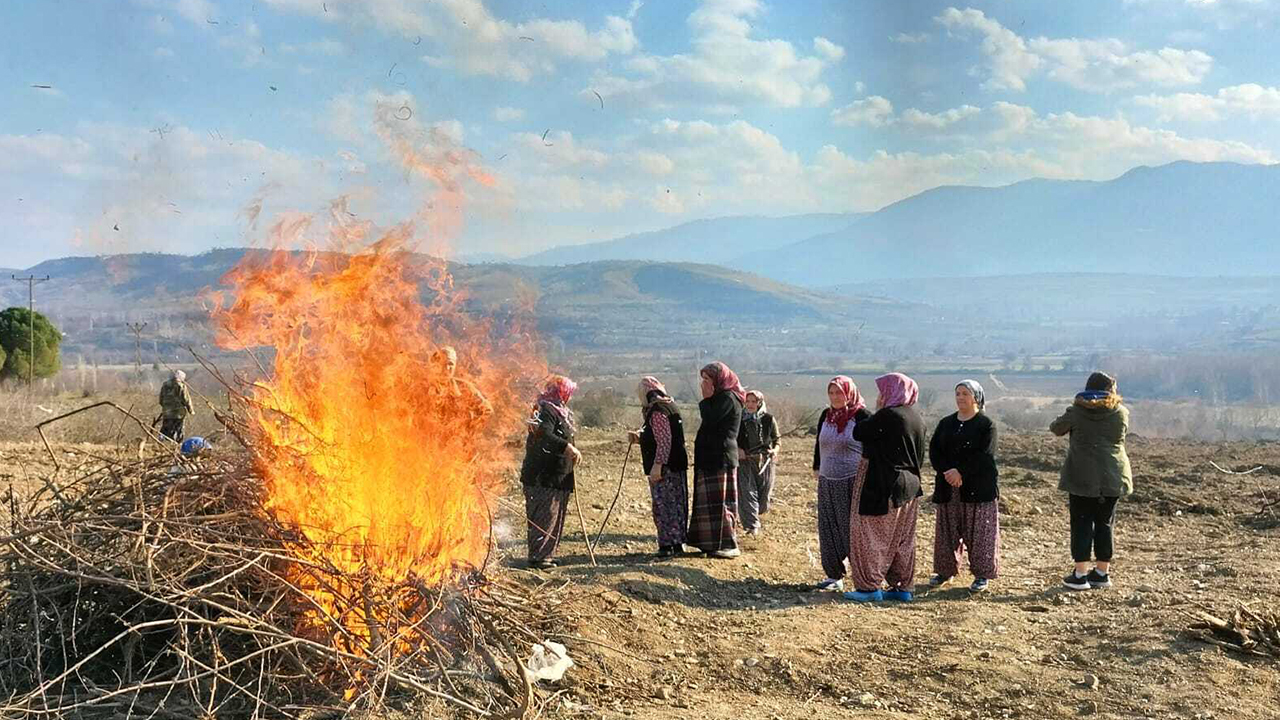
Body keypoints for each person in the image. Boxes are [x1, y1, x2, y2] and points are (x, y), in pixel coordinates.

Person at [846, 372, 927, 603]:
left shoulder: (888, 415)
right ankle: (902, 586)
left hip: (883, 483)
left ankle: (869, 587)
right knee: (902, 538)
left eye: (883, 391)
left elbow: (859, 431)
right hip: (910, 485)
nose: (880, 396)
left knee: (870, 534)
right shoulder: (916, 417)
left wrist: (879, 410)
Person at [1050, 372, 1132, 591]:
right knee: (1105, 523)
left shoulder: (1076, 412)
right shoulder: (1121, 413)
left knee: (1081, 523)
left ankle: (1080, 575)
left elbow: (1056, 428)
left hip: (1081, 476)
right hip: (1113, 475)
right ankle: (1102, 573)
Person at [928, 380, 1000, 593]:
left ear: (976, 397)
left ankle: (981, 575)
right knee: (947, 531)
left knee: (980, 533)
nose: (960, 398)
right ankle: (945, 571)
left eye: (965, 394)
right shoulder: (946, 423)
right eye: (957, 393)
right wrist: (948, 472)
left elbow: (985, 455)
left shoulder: (986, 425)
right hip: (949, 486)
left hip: (978, 488)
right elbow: (935, 451)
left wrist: (961, 472)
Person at [811, 376, 870, 592]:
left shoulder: (862, 417)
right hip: (827, 481)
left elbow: (871, 449)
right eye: (832, 393)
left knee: (851, 530)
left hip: (851, 483)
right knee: (827, 528)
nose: (835, 397)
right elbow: (820, 444)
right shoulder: (826, 416)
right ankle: (833, 575)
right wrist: (817, 467)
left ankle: (863, 578)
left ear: (850, 393)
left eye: (840, 393)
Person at [519, 375, 583, 570]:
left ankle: (547, 554)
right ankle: (538, 557)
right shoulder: (544, 409)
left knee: (554, 514)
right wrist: (567, 448)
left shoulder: (560, 410)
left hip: (558, 475)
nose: (569, 397)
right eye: (567, 392)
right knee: (544, 514)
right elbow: (544, 434)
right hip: (543, 475)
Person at [627, 376, 690, 557]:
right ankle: (677, 543)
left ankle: (667, 545)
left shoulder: (657, 410)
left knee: (665, 506)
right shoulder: (670, 406)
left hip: (666, 468)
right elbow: (659, 437)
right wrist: (640, 439)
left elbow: (664, 441)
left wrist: (657, 465)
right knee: (676, 505)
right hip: (676, 464)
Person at [689, 362, 745, 559]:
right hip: (708, 458)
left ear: (719, 380)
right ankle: (710, 543)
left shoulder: (728, 398)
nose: (703, 384)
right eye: (702, 379)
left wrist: (705, 399)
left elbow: (711, 418)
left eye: (707, 379)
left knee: (721, 503)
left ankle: (728, 544)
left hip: (720, 458)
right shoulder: (719, 398)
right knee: (709, 503)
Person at [737, 390, 780, 537]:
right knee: (748, 494)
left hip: (766, 462)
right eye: (747, 401)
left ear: (759, 403)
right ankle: (752, 527)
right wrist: (738, 450)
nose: (750, 405)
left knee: (764, 497)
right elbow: (731, 438)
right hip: (745, 462)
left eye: (753, 401)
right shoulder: (739, 420)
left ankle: (757, 515)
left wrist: (775, 450)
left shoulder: (769, 419)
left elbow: (777, 440)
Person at [430, 345, 493, 432]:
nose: (447, 368)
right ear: (434, 364)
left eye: (450, 364)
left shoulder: (465, 387)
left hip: (456, 441)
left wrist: (471, 428)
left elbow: (487, 410)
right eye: (443, 363)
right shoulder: (421, 387)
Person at [158, 370, 195, 442]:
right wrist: (191, 410)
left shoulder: (165, 385)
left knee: (165, 429)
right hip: (178, 413)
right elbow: (186, 399)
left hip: (167, 412)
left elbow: (161, 399)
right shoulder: (181, 386)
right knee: (178, 431)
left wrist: (165, 407)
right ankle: (176, 445)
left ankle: (161, 443)